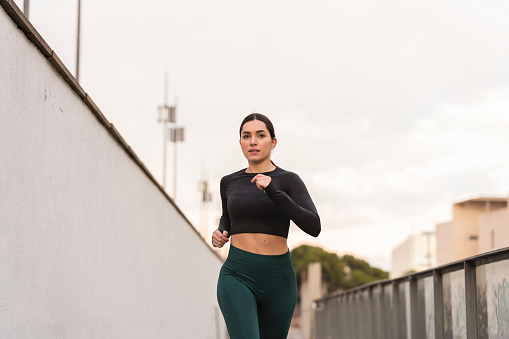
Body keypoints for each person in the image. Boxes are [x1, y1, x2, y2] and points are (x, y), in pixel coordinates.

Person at [212, 113, 321, 339]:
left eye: (260, 135)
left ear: (273, 142)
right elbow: (228, 218)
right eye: (246, 136)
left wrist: (274, 191)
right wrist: (221, 233)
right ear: (240, 142)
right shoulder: (229, 182)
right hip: (237, 274)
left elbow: (313, 226)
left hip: (278, 279)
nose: (253, 141)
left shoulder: (288, 180)